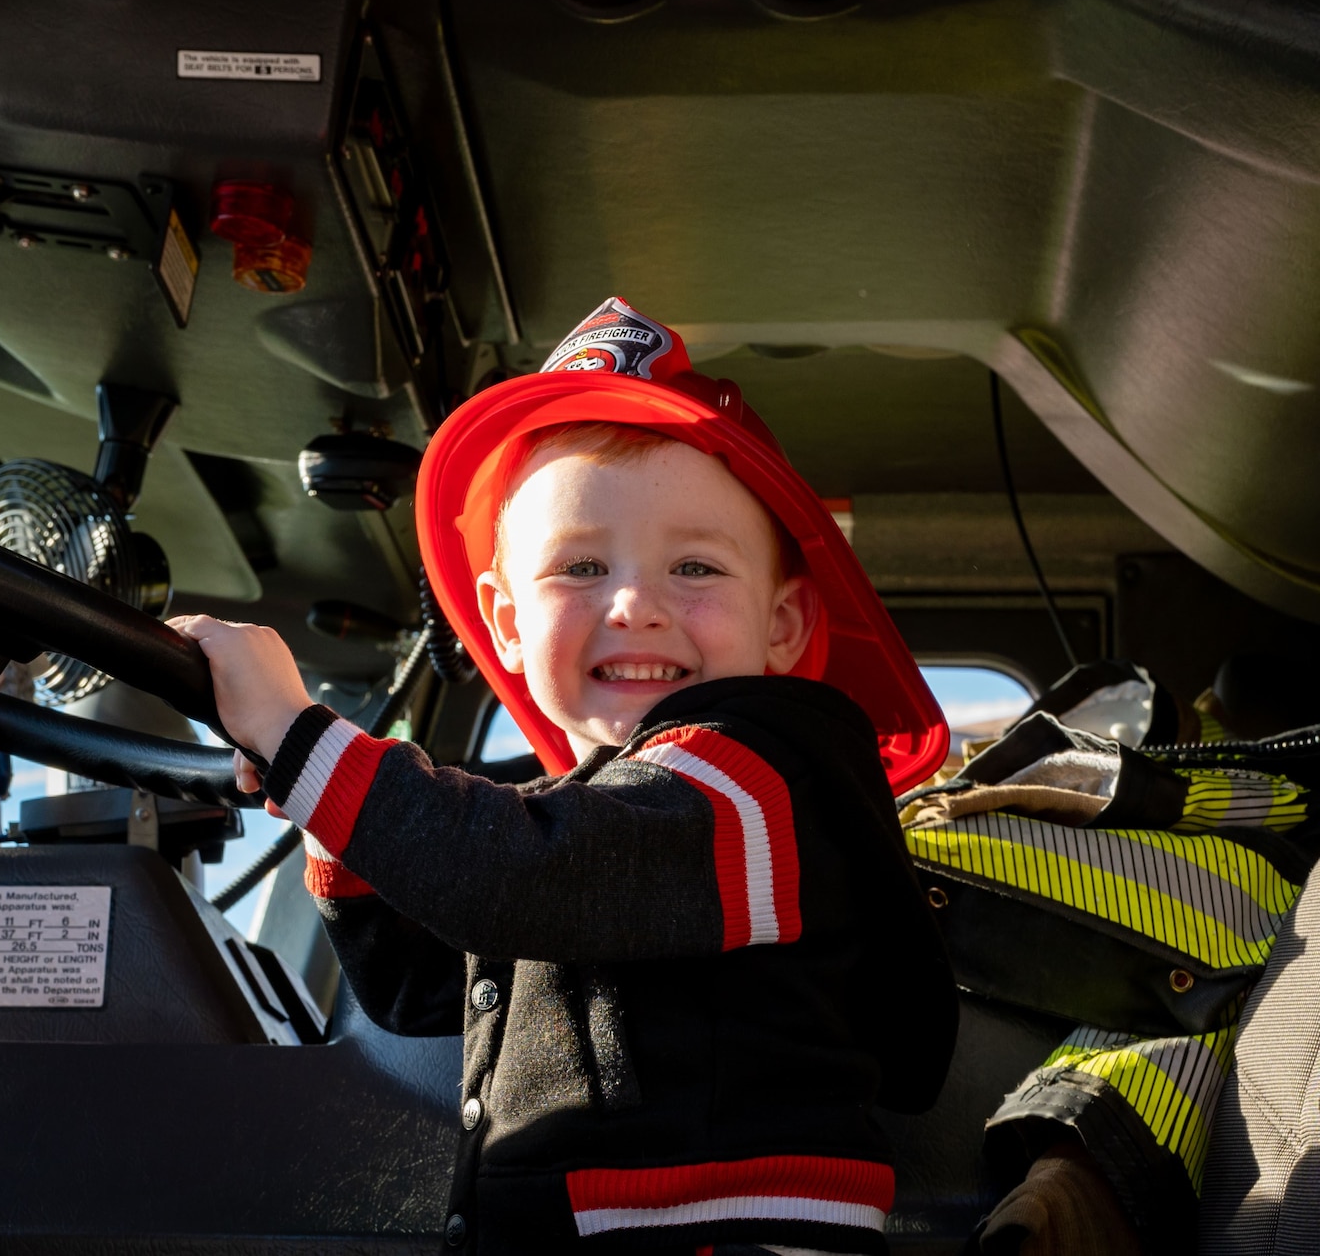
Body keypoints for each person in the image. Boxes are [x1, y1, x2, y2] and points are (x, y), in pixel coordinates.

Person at [171, 298, 958, 1255]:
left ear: (783, 628)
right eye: (581, 565)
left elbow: (518, 876)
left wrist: (301, 740)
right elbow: (424, 992)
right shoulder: (591, 830)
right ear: (504, 622)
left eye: (696, 568)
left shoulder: (758, 782)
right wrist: (338, 824)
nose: (634, 604)